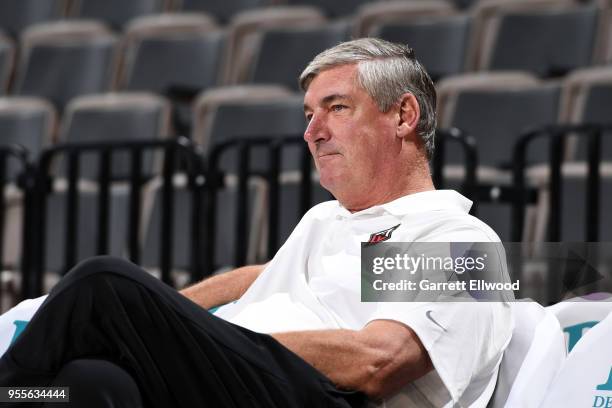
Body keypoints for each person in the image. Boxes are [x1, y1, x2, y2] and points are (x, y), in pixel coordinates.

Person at [0, 38, 512, 407]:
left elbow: (375, 362)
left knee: (104, 283)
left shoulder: (455, 239)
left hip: (326, 396)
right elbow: (257, 277)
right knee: (89, 382)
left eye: (337, 108)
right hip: (248, 379)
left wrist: (204, 335)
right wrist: (174, 319)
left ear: (403, 116)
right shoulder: (328, 222)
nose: (312, 132)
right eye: (309, 114)